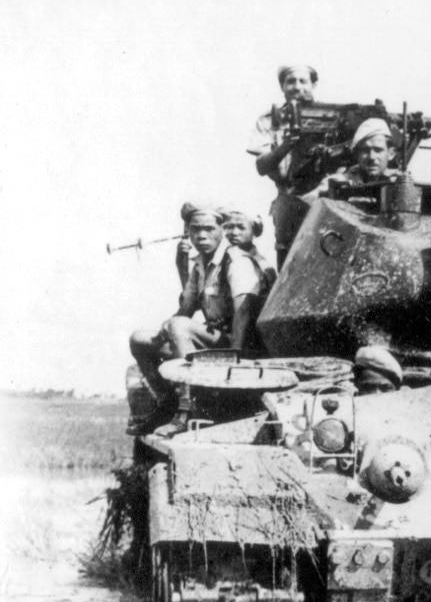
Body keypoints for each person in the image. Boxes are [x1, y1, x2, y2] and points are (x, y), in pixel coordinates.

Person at [128, 204, 271, 432]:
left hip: (241, 344)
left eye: (209, 229)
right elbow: (185, 311)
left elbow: (243, 312)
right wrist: (166, 327)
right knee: (140, 339)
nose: (201, 236)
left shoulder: (236, 260)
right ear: (188, 231)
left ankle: (189, 411)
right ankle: (167, 403)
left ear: (221, 231)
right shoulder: (200, 265)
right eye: (195, 230)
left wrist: (235, 360)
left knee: (178, 327)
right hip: (214, 341)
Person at [247, 64, 323, 266]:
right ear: (282, 86)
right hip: (289, 198)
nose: (297, 87)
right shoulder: (269, 120)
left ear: (313, 85)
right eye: (290, 81)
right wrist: (286, 144)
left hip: (324, 196)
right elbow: (261, 166)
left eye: (303, 81)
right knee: (288, 259)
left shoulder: (330, 116)